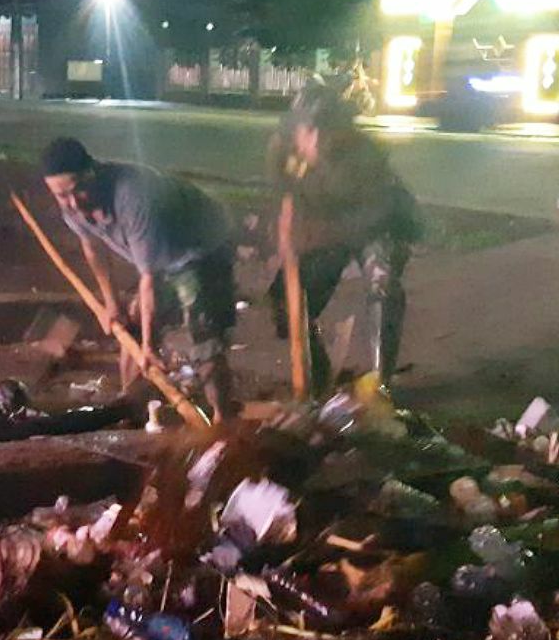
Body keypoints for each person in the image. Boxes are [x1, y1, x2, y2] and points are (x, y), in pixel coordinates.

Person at [41, 137, 237, 421]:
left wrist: (147, 346)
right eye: (60, 196)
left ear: (91, 173)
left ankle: (222, 420)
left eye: (76, 191)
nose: (72, 203)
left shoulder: (134, 197)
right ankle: (131, 410)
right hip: (162, 256)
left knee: (204, 335)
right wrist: (112, 305)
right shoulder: (72, 206)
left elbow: (148, 279)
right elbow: (92, 248)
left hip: (203, 247)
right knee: (129, 325)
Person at [268, 79, 419, 394]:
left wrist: (318, 236)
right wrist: (288, 240)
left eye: (324, 129)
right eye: (308, 130)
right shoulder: (284, 150)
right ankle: (317, 381)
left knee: (383, 283)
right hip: (329, 228)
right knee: (284, 301)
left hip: (379, 224)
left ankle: (381, 384)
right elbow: (288, 200)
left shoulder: (363, 156)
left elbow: (372, 217)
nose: (316, 138)